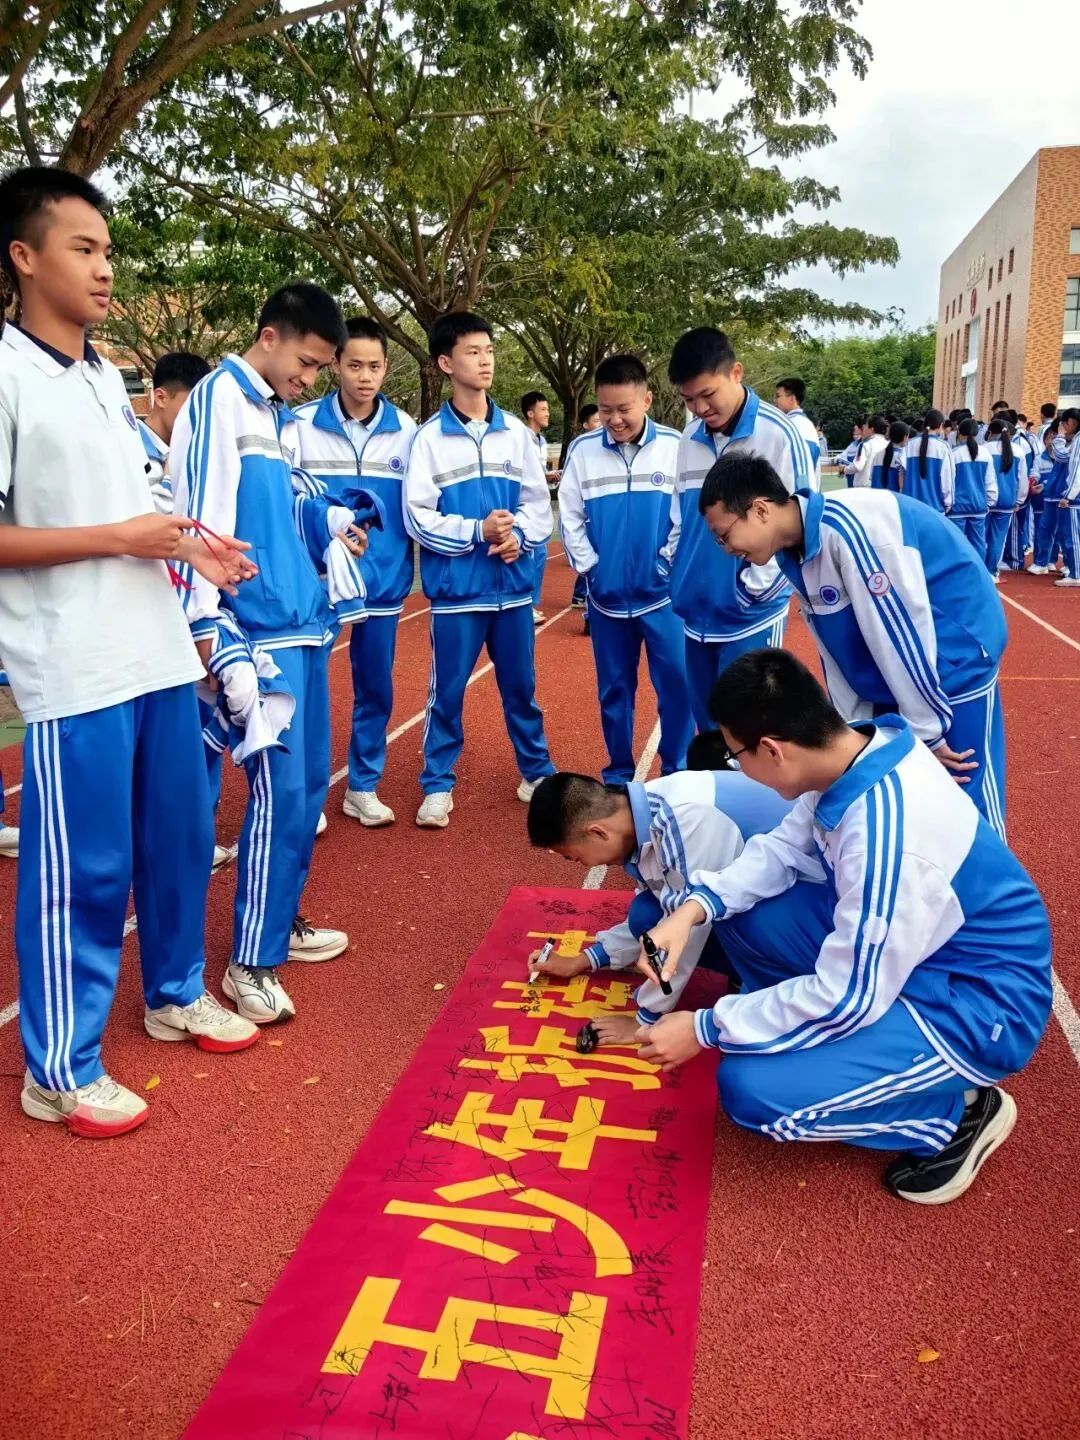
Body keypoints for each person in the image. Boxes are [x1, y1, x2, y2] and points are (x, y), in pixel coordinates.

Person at [0, 166, 260, 1135]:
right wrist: (121, 537)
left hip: (155, 650)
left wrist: (192, 546)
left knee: (180, 837)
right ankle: (60, 1068)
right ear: (24, 258)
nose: (105, 268)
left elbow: (137, 507)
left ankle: (176, 991)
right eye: (83, 248)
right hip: (76, 666)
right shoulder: (6, 375)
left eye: (108, 250)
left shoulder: (105, 378)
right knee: (87, 870)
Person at [632, 649, 1051, 1206]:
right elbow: (781, 850)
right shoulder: (855, 751)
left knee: (753, 1092)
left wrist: (708, 1027)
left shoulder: (886, 838)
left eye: (736, 756)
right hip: (920, 951)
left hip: (976, 1005)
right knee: (745, 915)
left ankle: (956, 1115)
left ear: (772, 749)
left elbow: (850, 996)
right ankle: (810, 1040)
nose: (738, 769)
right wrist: (691, 909)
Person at [170, 281, 361, 1025]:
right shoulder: (219, 400)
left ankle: (278, 919)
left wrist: (331, 521)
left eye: (319, 369)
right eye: (307, 363)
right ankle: (250, 959)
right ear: (269, 336)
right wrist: (210, 631)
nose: (310, 379)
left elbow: (290, 504)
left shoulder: (277, 416)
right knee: (279, 794)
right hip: (259, 631)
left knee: (308, 789)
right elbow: (196, 523)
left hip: (303, 623)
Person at [696, 450, 1009, 837]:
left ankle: (992, 873)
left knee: (964, 792)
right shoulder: (792, 554)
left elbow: (901, 634)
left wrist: (928, 732)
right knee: (909, 796)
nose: (727, 549)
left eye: (724, 536)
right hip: (900, 676)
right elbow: (834, 649)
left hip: (954, 660)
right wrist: (852, 728)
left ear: (760, 509)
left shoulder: (851, 529)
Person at [404, 311, 555, 829]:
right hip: (457, 595)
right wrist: (478, 531)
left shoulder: (516, 434)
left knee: (522, 690)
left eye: (489, 350)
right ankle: (437, 784)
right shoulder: (428, 439)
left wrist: (519, 536)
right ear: (446, 363)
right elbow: (417, 517)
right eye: (473, 352)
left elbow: (538, 505)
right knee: (446, 695)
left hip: (512, 592)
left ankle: (536, 772)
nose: (485, 360)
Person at [526, 767, 794, 1039]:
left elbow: (685, 930)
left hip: (805, 909)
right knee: (646, 913)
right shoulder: (643, 813)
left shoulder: (685, 819)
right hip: (777, 894)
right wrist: (584, 960)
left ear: (597, 832)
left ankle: (777, 978)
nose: (585, 864)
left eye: (575, 858)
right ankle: (750, 966)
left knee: (749, 1033)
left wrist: (645, 1020)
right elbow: (665, 907)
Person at [293, 316, 417, 827]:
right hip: (318, 585)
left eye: (374, 366)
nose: (365, 377)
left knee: (375, 690)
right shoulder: (299, 425)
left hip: (382, 585)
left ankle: (362, 786)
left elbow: (417, 506)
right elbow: (288, 501)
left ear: (386, 367)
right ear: (335, 365)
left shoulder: (407, 431)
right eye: (354, 365)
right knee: (307, 690)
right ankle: (305, 796)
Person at [662, 326, 812, 733]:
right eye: (688, 399)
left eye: (707, 394)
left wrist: (746, 593)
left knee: (751, 733)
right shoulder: (689, 438)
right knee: (710, 732)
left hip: (749, 616)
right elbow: (680, 515)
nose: (699, 408)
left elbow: (800, 527)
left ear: (736, 373)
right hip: (695, 614)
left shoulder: (779, 435)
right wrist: (677, 574)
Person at [557, 355, 693, 782]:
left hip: (664, 598)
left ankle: (676, 772)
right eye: (605, 410)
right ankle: (618, 774)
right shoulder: (583, 451)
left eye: (624, 409)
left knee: (677, 687)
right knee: (614, 690)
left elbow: (685, 516)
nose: (614, 420)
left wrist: (665, 563)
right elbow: (570, 514)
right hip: (606, 599)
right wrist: (591, 568)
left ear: (647, 400)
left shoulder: (675, 446)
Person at [138, 352, 212, 514]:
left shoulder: (194, 447)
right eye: (190, 407)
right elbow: (145, 518)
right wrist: (170, 478)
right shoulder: (130, 448)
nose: (199, 416)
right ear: (160, 398)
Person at [1028, 413, 1080, 575]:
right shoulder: (1050, 451)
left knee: (1066, 533)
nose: (1053, 438)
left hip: (1066, 495)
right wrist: (1044, 486)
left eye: (1056, 433)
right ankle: (1042, 562)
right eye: (1051, 435)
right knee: (1045, 529)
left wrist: (1060, 438)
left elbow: (1061, 456)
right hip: (1052, 493)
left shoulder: (1074, 444)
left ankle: (1070, 565)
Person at [520, 390, 551, 624]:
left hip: (541, 506)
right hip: (525, 507)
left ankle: (530, 603)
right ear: (530, 413)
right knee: (530, 554)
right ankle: (525, 604)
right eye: (543, 409)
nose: (547, 413)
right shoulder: (520, 437)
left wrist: (549, 476)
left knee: (540, 553)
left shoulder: (542, 441)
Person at [984, 418, 1027, 583]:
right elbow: (1022, 479)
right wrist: (1020, 500)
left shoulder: (984, 449)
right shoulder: (1018, 451)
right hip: (1007, 500)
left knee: (981, 537)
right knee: (998, 538)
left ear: (990, 432)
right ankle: (992, 571)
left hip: (986, 500)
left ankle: (980, 569)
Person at [950, 418, 997, 556]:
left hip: (957, 507)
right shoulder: (985, 454)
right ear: (976, 434)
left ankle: (958, 570)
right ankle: (979, 569)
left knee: (956, 545)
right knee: (978, 543)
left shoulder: (953, 454)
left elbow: (948, 482)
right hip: (978, 506)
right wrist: (989, 502)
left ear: (959, 433)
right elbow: (990, 482)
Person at [772, 377, 823, 489]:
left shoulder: (791, 425)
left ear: (792, 399)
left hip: (793, 494)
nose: (775, 401)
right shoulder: (806, 424)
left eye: (778, 396)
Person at [901, 409, 955, 515]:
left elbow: (901, 473)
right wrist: (948, 503)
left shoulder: (909, 445)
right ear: (941, 425)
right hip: (934, 508)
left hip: (910, 507)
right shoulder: (943, 447)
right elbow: (947, 479)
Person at [1051, 410, 1080, 588]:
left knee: (1073, 537)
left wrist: (1068, 495)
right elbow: (1062, 456)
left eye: (1064, 423)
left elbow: (1076, 469)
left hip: (1076, 497)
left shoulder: (1078, 440)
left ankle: (1077, 573)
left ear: (1071, 422)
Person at [844, 414, 887, 488]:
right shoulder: (887, 444)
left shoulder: (866, 444)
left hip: (864, 487)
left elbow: (857, 466)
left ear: (872, 429)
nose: (863, 428)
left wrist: (844, 470)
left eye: (866, 426)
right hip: (881, 486)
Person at [870, 421, 908, 492]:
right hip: (894, 497)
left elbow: (872, 477)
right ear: (905, 437)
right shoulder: (903, 457)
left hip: (876, 495)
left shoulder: (878, 455)